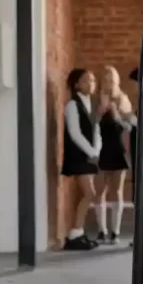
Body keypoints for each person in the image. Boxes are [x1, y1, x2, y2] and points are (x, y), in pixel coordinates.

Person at [60, 68, 101, 251]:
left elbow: (95, 129)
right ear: (76, 84)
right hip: (79, 156)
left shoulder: (90, 103)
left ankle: (78, 233)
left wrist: (97, 150)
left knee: (87, 194)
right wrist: (91, 152)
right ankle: (74, 234)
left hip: (89, 155)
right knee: (89, 194)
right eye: (86, 80)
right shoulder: (72, 105)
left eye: (92, 80)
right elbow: (74, 133)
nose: (91, 84)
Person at [95, 65, 134, 245]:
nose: (108, 82)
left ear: (116, 80)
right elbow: (91, 124)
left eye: (111, 79)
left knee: (117, 191)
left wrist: (115, 112)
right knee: (99, 191)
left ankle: (115, 232)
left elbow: (129, 126)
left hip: (118, 148)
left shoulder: (123, 99)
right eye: (105, 79)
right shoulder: (97, 99)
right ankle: (101, 231)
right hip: (102, 148)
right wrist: (100, 111)